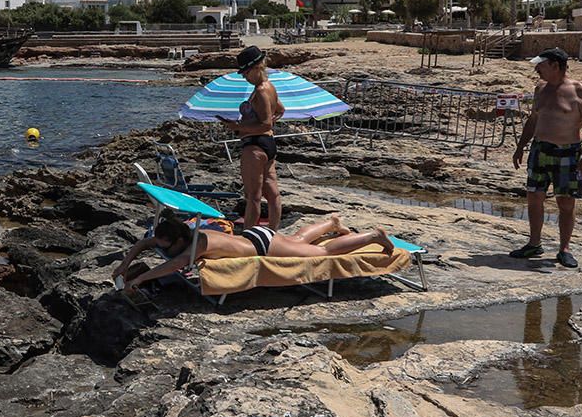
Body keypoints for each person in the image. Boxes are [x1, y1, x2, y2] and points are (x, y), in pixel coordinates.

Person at [111, 213, 394, 294]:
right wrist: (124, 265)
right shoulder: (180, 234)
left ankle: (373, 235)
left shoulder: (195, 245)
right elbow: (143, 244)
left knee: (320, 252)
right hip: (253, 236)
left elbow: (173, 266)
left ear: (177, 240)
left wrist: (141, 279)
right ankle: (331, 222)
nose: (161, 249)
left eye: (165, 246)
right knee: (297, 239)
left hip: (263, 246)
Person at [511, 47, 582, 268]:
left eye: (541, 65)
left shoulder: (579, 90)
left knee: (566, 201)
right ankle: (534, 243)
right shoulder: (540, 89)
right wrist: (521, 146)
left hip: (568, 152)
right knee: (534, 197)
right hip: (540, 150)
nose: (537, 69)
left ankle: (564, 249)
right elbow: (533, 120)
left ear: (555, 66)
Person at [218, 46, 285, 230]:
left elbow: (265, 124)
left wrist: (238, 127)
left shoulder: (262, 91)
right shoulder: (269, 87)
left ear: (257, 68)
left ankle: (248, 239)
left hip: (255, 146)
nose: (244, 77)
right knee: (273, 194)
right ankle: (272, 233)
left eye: (245, 72)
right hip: (268, 144)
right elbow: (280, 110)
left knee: (253, 197)